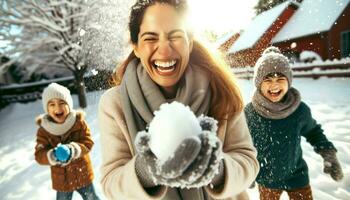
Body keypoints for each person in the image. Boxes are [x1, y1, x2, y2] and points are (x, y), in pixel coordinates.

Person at [98, 0, 259, 199]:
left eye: (175, 36)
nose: (164, 50)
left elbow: (248, 162)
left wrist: (216, 169)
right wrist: (145, 172)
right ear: (136, 47)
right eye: (150, 38)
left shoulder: (220, 89)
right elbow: (110, 183)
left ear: (189, 43)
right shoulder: (115, 104)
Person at [244, 46, 344, 200]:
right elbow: (243, 143)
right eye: (268, 80)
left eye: (280, 79)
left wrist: (328, 154)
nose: (274, 85)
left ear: (289, 81)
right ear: (258, 83)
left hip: (297, 175)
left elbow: (313, 132)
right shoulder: (250, 113)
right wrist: (246, 171)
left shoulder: (298, 110)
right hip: (267, 178)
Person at [34, 83, 100, 200]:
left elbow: (88, 142)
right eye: (52, 104)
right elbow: (39, 155)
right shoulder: (44, 130)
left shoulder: (78, 122)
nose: (57, 108)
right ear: (47, 108)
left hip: (82, 174)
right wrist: (52, 155)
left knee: (91, 198)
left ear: (69, 105)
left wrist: (74, 149)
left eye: (62, 103)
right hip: (62, 179)